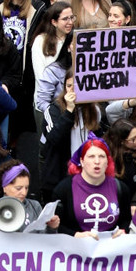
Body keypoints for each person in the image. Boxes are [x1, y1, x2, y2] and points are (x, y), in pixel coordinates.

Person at [41, 71, 103, 203]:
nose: (72, 90)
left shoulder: (94, 110)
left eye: (77, 85)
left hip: (87, 176)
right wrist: (69, 111)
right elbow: (53, 139)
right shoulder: (53, 110)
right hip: (60, 176)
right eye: (69, 86)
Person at [53, 136, 131, 237]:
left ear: (107, 161)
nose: (97, 161)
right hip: (76, 249)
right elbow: (56, 225)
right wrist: (76, 235)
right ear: (81, 161)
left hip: (111, 249)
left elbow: (126, 219)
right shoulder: (63, 189)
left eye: (102, 157)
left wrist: (123, 230)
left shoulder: (121, 188)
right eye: (91, 156)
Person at [0, 160, 60, 232]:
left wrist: (52, 227)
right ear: (4, 187)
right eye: (18, 188)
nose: (24, 193)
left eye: (26, 188)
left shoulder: (35, 207)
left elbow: (44, 239)